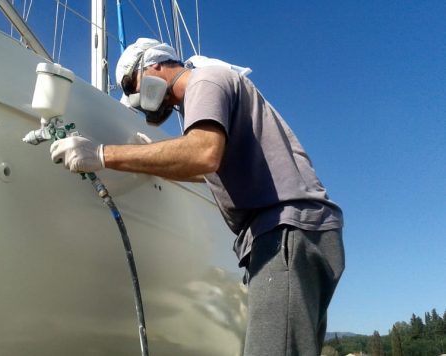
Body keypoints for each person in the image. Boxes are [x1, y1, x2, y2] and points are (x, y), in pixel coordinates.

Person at [50, 38, 345, 355]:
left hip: (284, 233)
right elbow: (206, 168)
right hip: (300, 233)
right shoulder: (217, 85)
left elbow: (204, 154)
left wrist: (102, 154)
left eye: (132, 87)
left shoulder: (205, 80)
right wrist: (148, 162)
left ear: (156, 66)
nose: (136, 101)